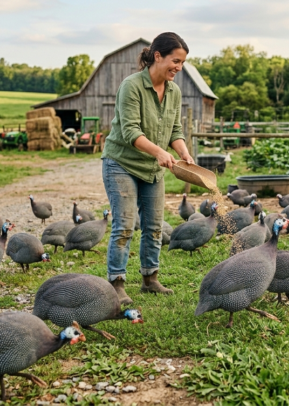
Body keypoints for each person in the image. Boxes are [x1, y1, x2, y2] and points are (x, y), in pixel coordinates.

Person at [101, 32, 194, 304]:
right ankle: (116, 283)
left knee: (154, 226)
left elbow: (175, 129)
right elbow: (130, 131)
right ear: (157, 56)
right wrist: (159, 151)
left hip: (152, 168)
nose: (178, 67)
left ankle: (150, 278)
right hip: (122, 163)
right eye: (175, 61)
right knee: (125, 225)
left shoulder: (174, 91)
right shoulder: (131, 86)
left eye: (182, 63)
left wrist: (184, 153)